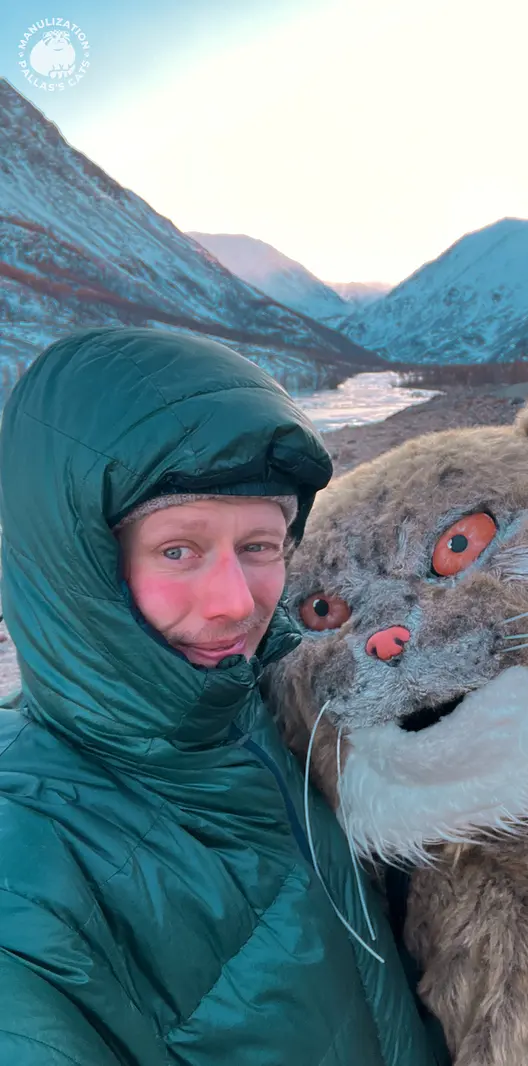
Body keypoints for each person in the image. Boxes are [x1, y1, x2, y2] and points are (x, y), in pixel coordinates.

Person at [0, 327, 446, 1066]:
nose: (235, 604)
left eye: (259, 546)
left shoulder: (278, 709)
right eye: (179, 550)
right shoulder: (27, 873)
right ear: (75, 564)